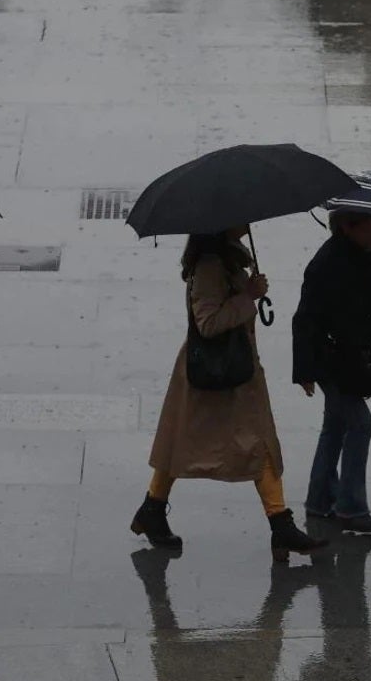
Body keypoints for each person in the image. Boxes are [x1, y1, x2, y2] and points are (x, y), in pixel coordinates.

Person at [132, 227, 328, 561]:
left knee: (247, 441)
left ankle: (278, 523)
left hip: (233, 372)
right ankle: (279, 525)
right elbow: (207, 323)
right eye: (242, 217)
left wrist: (247, 291)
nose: (249, 222)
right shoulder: (210, 265)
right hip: (217, 374)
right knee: (247, 441)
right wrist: (248, 296)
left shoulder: (226, 257)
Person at [292, 211, 371, 534]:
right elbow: (304, 319)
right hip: (331, 360)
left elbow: (364, 303)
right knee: (360, 423)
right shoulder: (326, 264)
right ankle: (350, 506)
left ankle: (320, 498)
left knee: (335, 426)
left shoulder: (365, 255)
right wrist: (304, 371)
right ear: (349, 227)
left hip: (350, 358)